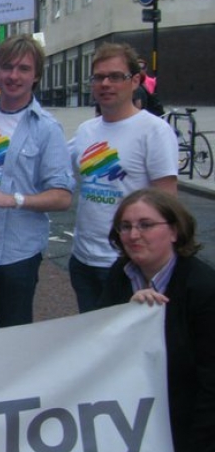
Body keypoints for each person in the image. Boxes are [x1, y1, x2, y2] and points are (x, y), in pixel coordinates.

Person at [0, 34, 74, 333]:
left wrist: (14, 199)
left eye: (23, 69)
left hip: (17, 252)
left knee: (13, 335)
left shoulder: (46, 128)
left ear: (36, 76)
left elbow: (62, 196)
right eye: (7, 67)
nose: (13, 76)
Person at [98, 188, 215, 452]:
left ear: (174, 231)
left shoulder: (202, 287)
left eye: (146, 225)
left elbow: (210, 382)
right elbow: (98, 340)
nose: (133, 235)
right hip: (135, 420)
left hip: (186, 427)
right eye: (125, 227)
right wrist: (128, 314)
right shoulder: (120, 274)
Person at [69, 42, 178, 313]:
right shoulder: (85, 131)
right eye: (98, 77)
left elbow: (167, 202)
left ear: (135, 81)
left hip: (127, 263)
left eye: (116, 76)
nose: (105, 83)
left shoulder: (154, 131)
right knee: (93, 341)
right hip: (83, 260)